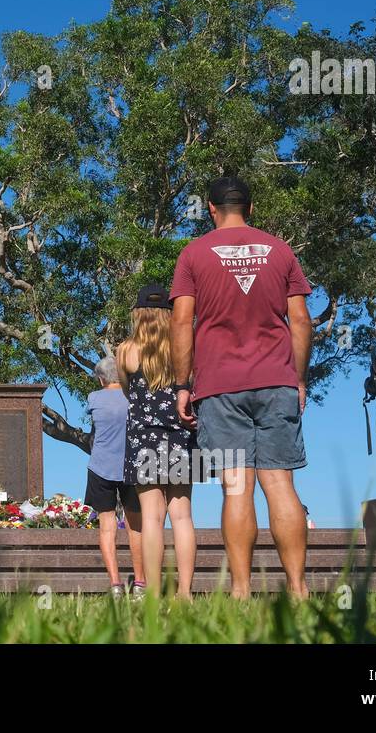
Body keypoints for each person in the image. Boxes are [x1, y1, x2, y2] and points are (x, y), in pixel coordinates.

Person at [169, 176, 313, 598]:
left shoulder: (194, 253)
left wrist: (182, 384)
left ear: (211, 209)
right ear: (250, 209)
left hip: (220, 386)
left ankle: (241, 590)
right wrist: (298, 378)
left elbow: (181, 322)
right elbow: (301, 321)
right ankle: (299, 589)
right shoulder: (281, 250)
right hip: (276, 381)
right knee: (281, 484)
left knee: (237, 485)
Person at [117, 283, 197, 599]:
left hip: (143, 436)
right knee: (183, 515)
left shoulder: (126, 350)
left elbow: (128, 391)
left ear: (137, 313)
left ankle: (151, 592)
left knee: (151, 516)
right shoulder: (187, 347)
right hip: (181, 433)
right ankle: (186, 593)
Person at [85, 355, 145, 596]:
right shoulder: (135, 397)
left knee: (107, 528)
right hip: (133, 466)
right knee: (136, 528)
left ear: (101, 380)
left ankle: (116, 585)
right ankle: (140, 583)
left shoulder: (94, 398)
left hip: (101, 467)